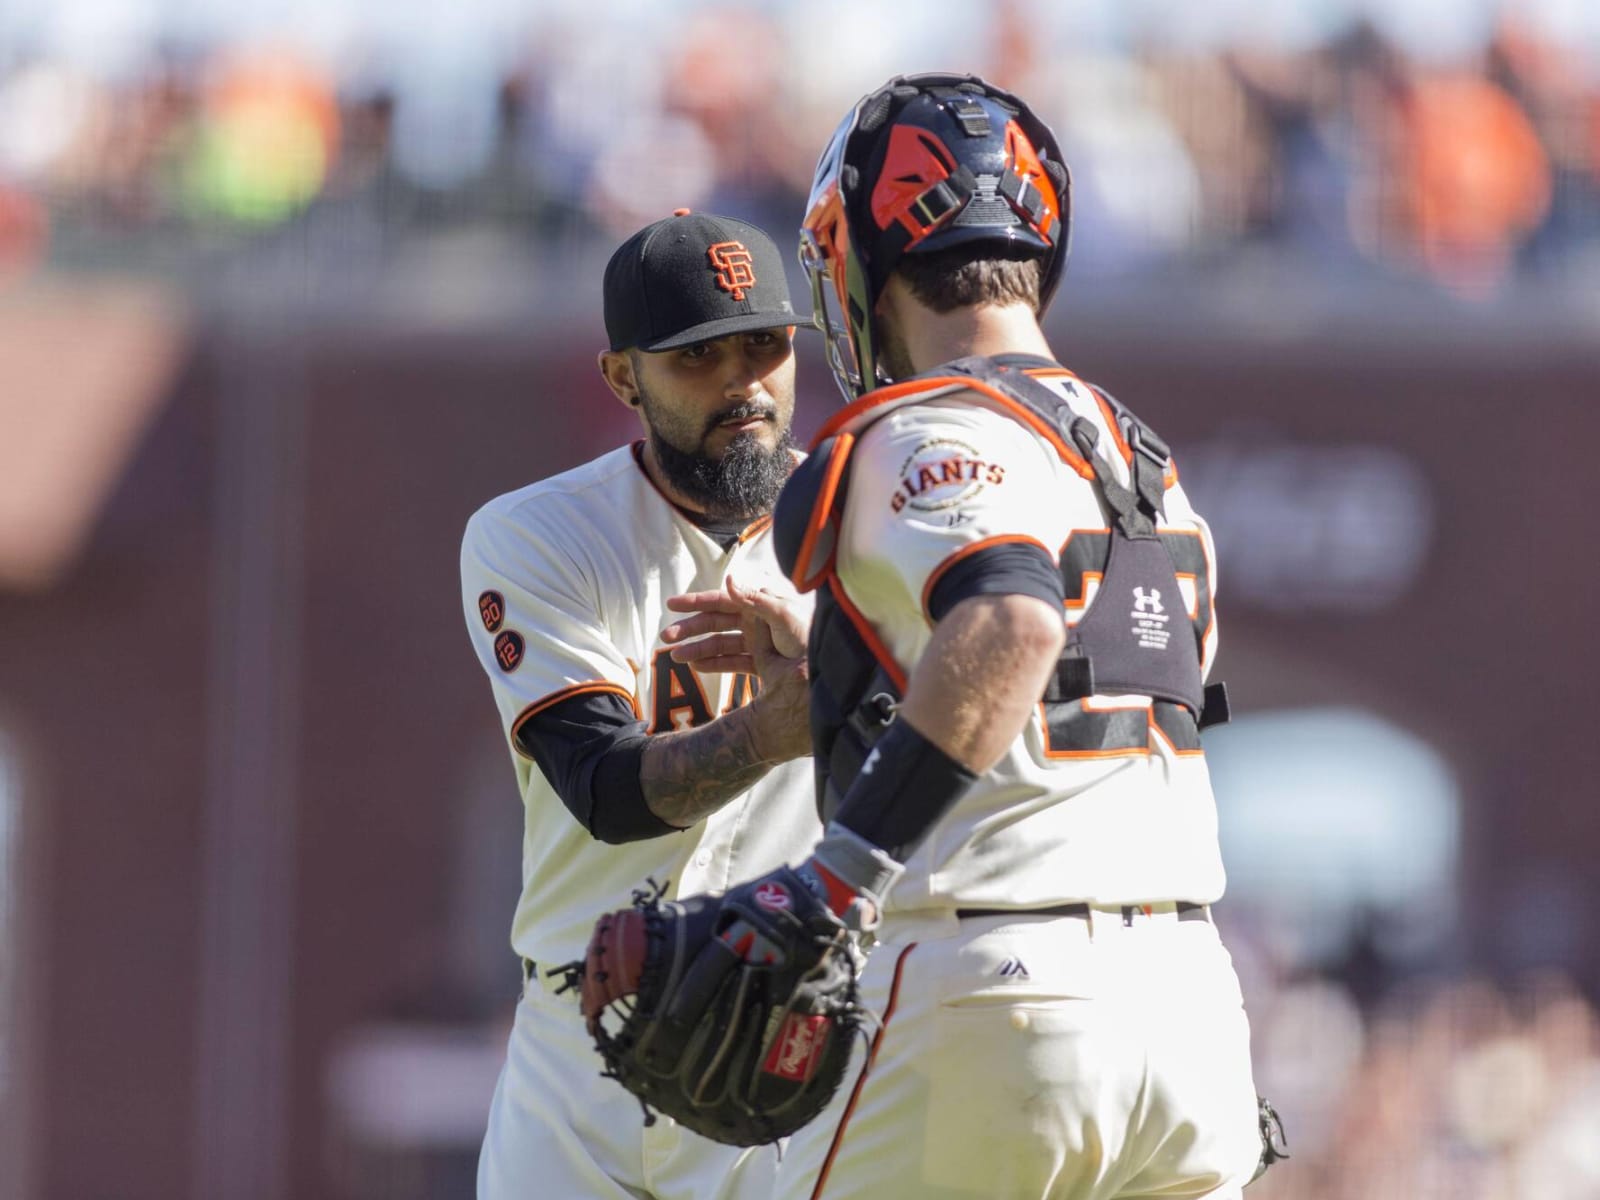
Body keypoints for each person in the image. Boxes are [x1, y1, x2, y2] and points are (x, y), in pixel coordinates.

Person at [678, 74, 1268, 1198]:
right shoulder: (1139, 458)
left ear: (858, 255)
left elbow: (1010, 617)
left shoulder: (926, 426)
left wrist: (832, 882)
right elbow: (1069, 700)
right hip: (1193, 1018)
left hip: (990, 990)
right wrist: (844, 682)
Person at [460, 209, 823, 1200]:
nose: (744, 382)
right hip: (580, 1058)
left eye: (765, 345)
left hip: (789, 1038)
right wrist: (782, 726)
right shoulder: (540, 535)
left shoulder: (866, 529)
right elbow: (608, 791)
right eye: (698, 356)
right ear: (622, 377)